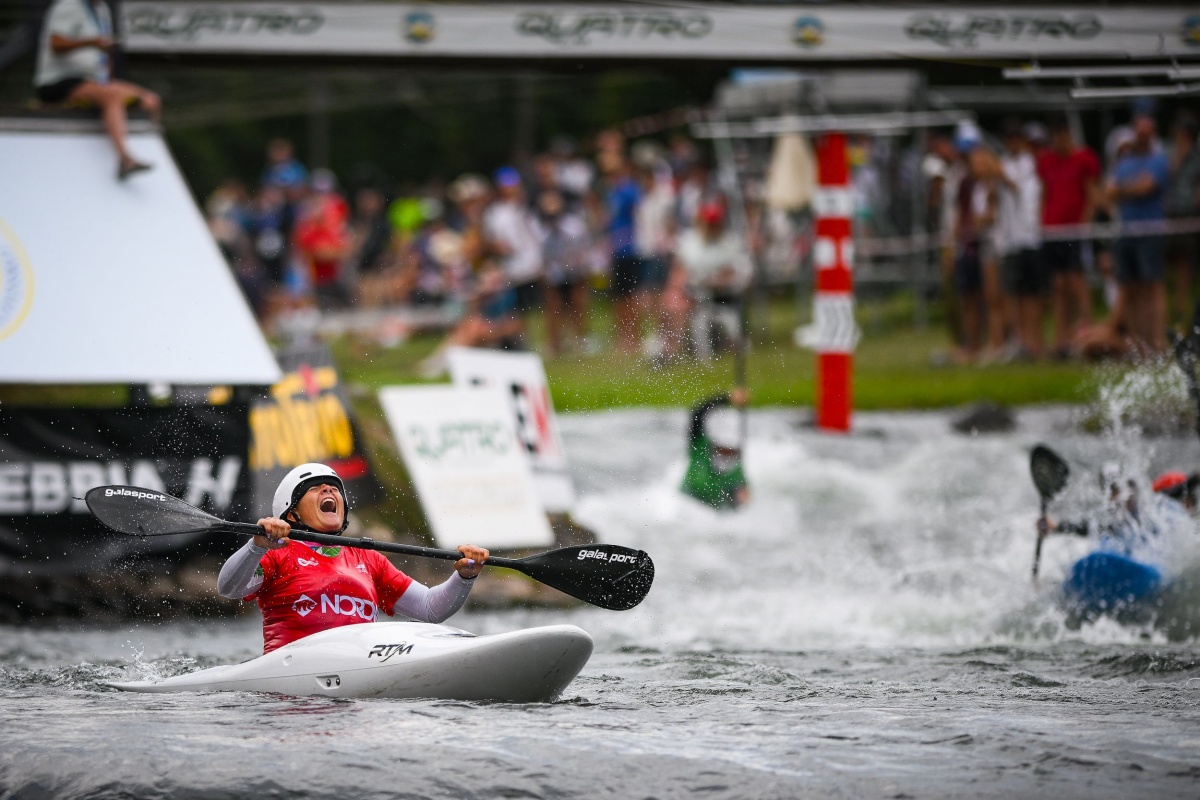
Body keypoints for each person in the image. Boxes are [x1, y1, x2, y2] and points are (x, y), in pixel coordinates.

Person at [218, 463, 488, 654]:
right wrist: (257, 546)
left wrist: (465, 576)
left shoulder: (369, 559)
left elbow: (431, 609)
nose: (328, 491)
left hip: (355, 669)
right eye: (315, 488)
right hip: (288, 676)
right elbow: (229, 589)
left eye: (333, 488)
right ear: (292, 514)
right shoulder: (278, 552)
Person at [34, 0, 161, 179]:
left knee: (150, 99)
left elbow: (101, 50)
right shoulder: (68, 5)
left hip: (92, 80)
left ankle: (154, 161)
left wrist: (105, 65)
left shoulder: (102, 9)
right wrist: (92, 42)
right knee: (113, 96)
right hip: (59, 81)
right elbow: (56, 44)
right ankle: (125, 159)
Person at [1037, 115, 1100, 359]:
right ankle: (1061, 339)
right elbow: (1045, 194)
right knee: (1059, 285)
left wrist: (1085, 224)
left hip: (1075, 231)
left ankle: (1086, 334)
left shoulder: (1084, 159)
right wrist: (1041, 222)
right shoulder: (1048, 161)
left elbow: (1091, 193)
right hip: (1053, 231)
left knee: (1077, 282)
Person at [1108, 108, 1170, 353]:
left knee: (1152, 286)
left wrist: (1124, 189)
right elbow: (1110, 191)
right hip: (1127, 232)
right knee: (1131, 288)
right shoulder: (1125, 162)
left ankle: (1158, 342)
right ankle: (1138, 345)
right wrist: (1132, 187)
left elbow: (1147, 187)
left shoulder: (1158, 160)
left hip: (1150, 231)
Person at [680, 387, 749, 510]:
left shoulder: (737, 469)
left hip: (715, 515)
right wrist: (727, 398)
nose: (726, 455)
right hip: (686, 505)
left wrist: (741, 496)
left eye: (730, 452)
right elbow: (697, 413)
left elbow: (741, 496)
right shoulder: (699, 445)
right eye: (722, 450)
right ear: (714, 445)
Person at [1165, 111, 1200, 328]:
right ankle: (1170, 311)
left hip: (1189, 216)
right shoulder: (1168, 154)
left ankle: (1181, 309)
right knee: (1166, 263)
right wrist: (1178, 156)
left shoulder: (1197, 159)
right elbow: (1166, 178)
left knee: (1185, 263)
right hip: (1169, 216)